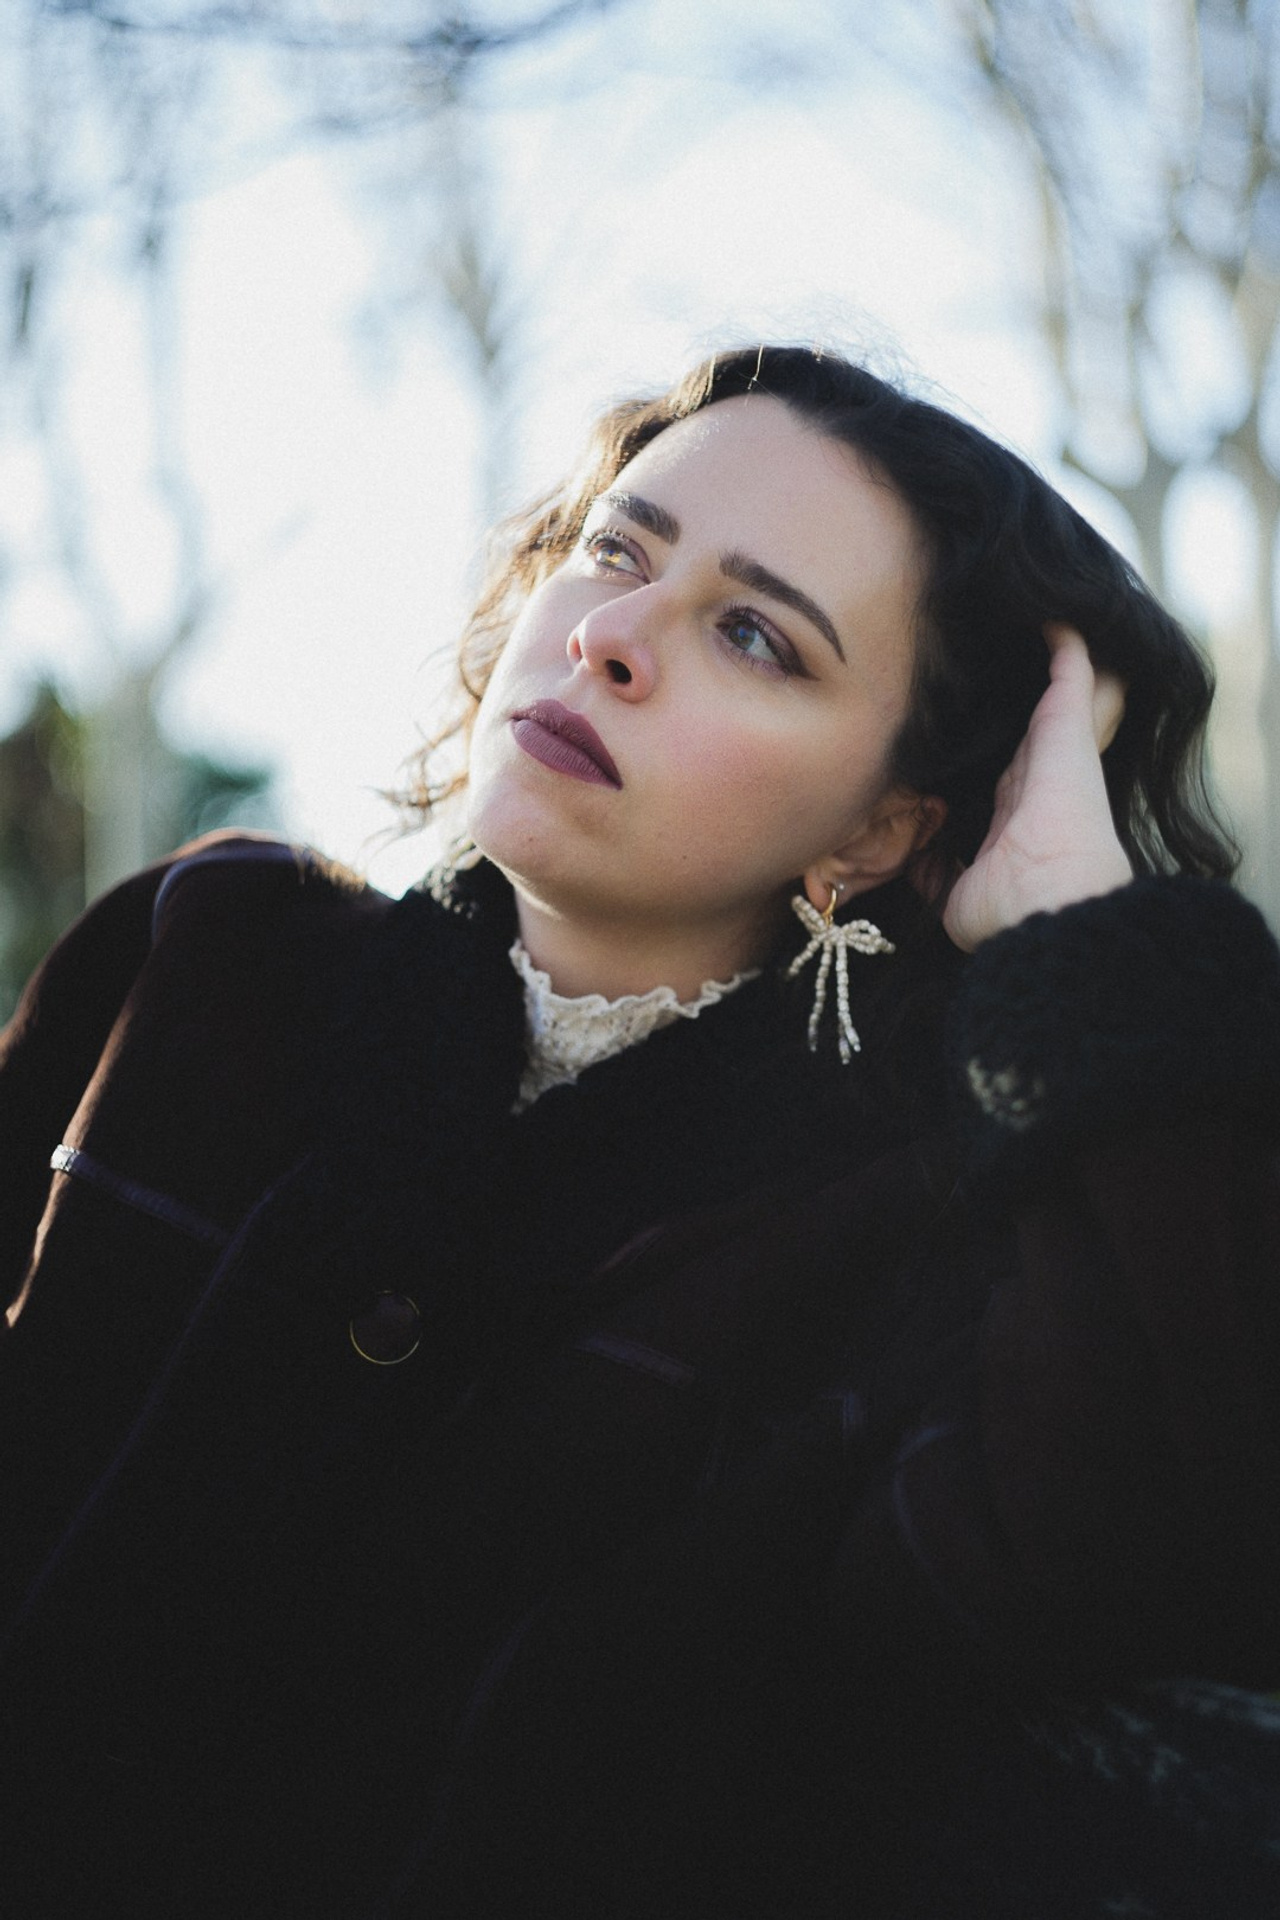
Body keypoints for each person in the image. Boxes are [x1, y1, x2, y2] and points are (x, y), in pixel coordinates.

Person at [1, 344, 1278, 1918]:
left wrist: (1078, 949)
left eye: (755, 634)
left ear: (882, 828)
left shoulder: (900, 1247)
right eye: (619, 550)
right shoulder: (204, 956)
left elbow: (1159, 1549)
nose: (608, 638)